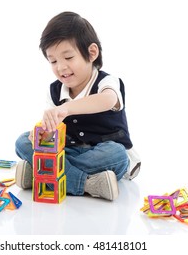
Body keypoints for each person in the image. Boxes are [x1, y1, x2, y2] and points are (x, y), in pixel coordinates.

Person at [15, 11, 141, 201]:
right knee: (23, 141)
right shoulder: (55, 91)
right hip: (69, 150)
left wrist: (66, 109)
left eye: (68, 58)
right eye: (54, 61)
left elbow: (107, 99)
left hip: (103, 152)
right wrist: (44, 134)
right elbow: (52, 134)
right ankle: (89, 183)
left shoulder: (107, 82)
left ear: (91, 53)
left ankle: (42, 174)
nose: (61, 67)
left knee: (117, 154)